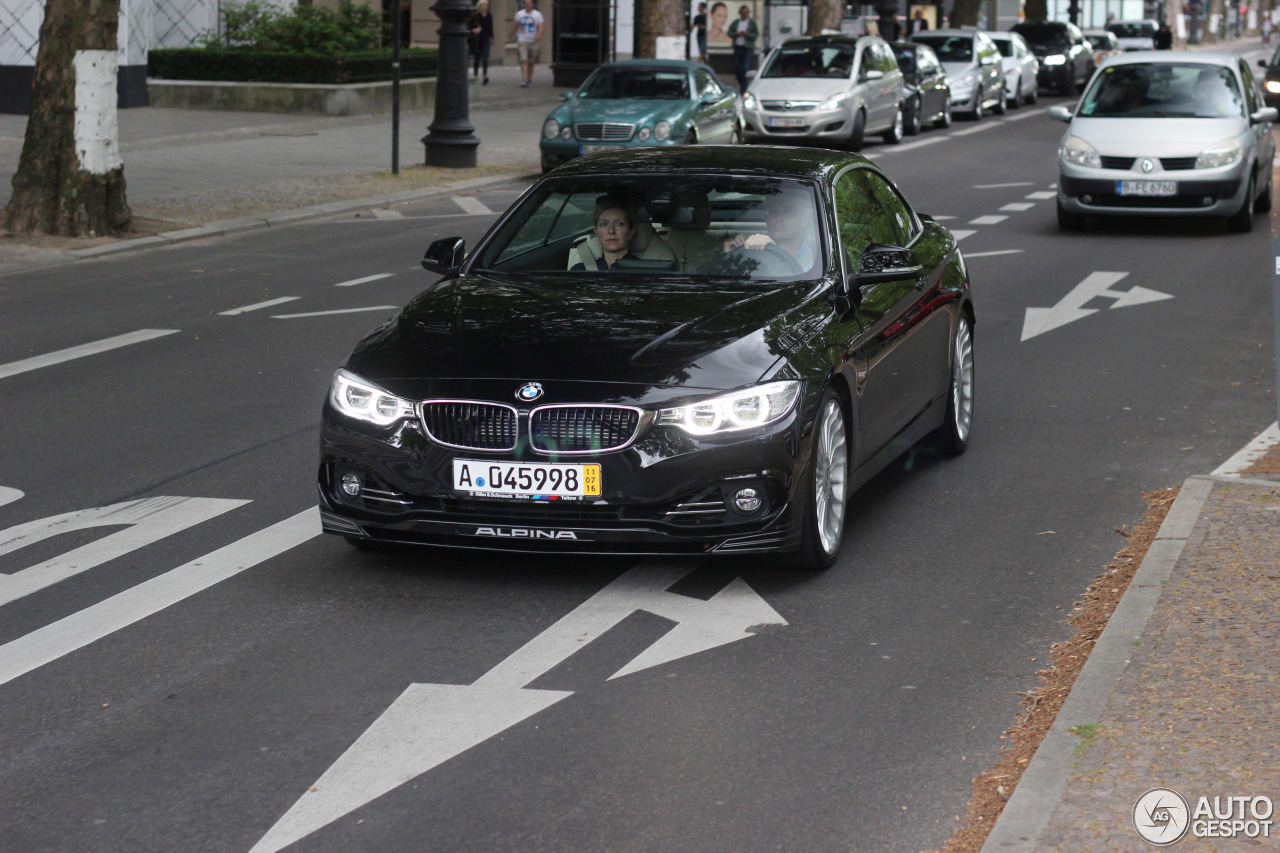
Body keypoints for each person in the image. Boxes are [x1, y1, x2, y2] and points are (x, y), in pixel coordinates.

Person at [722, 189, 817, 271]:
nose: (778, 219)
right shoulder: (752, 255)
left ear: (804, 220)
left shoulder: (818, 262)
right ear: (767, 219)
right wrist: (730, 256)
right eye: (773, 211)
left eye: (788, 212)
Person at [571, 198, 639, 270]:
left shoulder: (645, 270)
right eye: (604, 224)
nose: (611, 231)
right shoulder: (580, 270)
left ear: (631, 232)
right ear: (596, 232)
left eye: (619, 224)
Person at [508, 0, 544, 88]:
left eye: (529, 4)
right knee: (523, 59)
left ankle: (529, 78)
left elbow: (541, 26)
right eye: (526, 4)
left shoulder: (537, 14)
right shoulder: (519, 14)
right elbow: (515, 26)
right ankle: (524, 79)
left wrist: (538, 35)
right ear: (524, 5)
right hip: (522, 40)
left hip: (533, 41)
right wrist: (509, 37)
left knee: (531, 62)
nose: (527, 5)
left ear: (532, 5)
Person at [727, 4, 759, 95]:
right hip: (738, 47)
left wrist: (746, 34)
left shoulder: (752, 23)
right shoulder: (736, 23)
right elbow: (730, 33)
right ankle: (742, 84)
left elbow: (755, 35)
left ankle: (745, 88)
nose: (744, 15)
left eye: (745, 13)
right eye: (742, 13)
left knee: (746, 68)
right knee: (736, 68)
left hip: (747, 48)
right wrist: (737, 34)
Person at [469, 0, 494, 85]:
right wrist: (474, 29)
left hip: (486, 37)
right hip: (477, 38)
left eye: (486, 5)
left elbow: (490, 27)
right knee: (477, 56)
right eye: (483, 5)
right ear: (480, 6)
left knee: (485, 57)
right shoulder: (475, 16)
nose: (485, 7)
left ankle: (485, 75)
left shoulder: (489, 16)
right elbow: (469, 26)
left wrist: (492, 37)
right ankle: (475, 74)